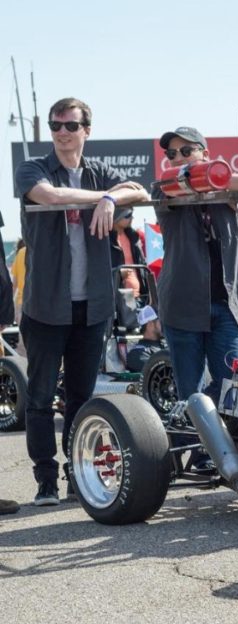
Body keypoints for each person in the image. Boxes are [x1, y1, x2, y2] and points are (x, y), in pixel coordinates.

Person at [14, 97, 150, 506]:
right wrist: (106, 197)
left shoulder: (99, 173)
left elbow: (140, 189)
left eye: (70, 125)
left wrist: (112, 198)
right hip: (45, 306)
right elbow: (50, 196)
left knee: (81, 397)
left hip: (92, 306)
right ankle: (45, 482)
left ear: (86, 130)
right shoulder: (33, 168)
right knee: (38, 399)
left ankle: (78, 475)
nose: (61, 131)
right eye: (56, 125)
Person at [155, 126, 238, 471]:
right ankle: (184, 458)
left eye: (186, 151)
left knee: (230, 384)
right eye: (171, 154)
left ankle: (219, 452)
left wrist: (218, 178)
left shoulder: (223, 184)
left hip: (227, 304)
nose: (177, 158)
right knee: (189, 389)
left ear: (205, 152)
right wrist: (194, 174)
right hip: (183, 307)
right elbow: (170, 186)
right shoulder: (165, 186)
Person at [110, 206, 147, 300]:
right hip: (122, 299)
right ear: (116, 218)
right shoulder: (107, 240)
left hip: (141, 296)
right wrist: (119, 273)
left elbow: (142, 263)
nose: (132, 218)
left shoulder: (134, 236)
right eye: (128, 215)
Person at [126, 305, 166, 372]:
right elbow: (157, 372)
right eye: (161, 321)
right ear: (150, 324)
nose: (164, 324)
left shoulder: (167, 345)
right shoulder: (137, 353)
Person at [9, 238, 26, 356]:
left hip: (22, 303)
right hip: (43, 304)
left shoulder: (20, 253)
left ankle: (22, 372)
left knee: (24, 344)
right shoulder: (43, 251)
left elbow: (14, 285)